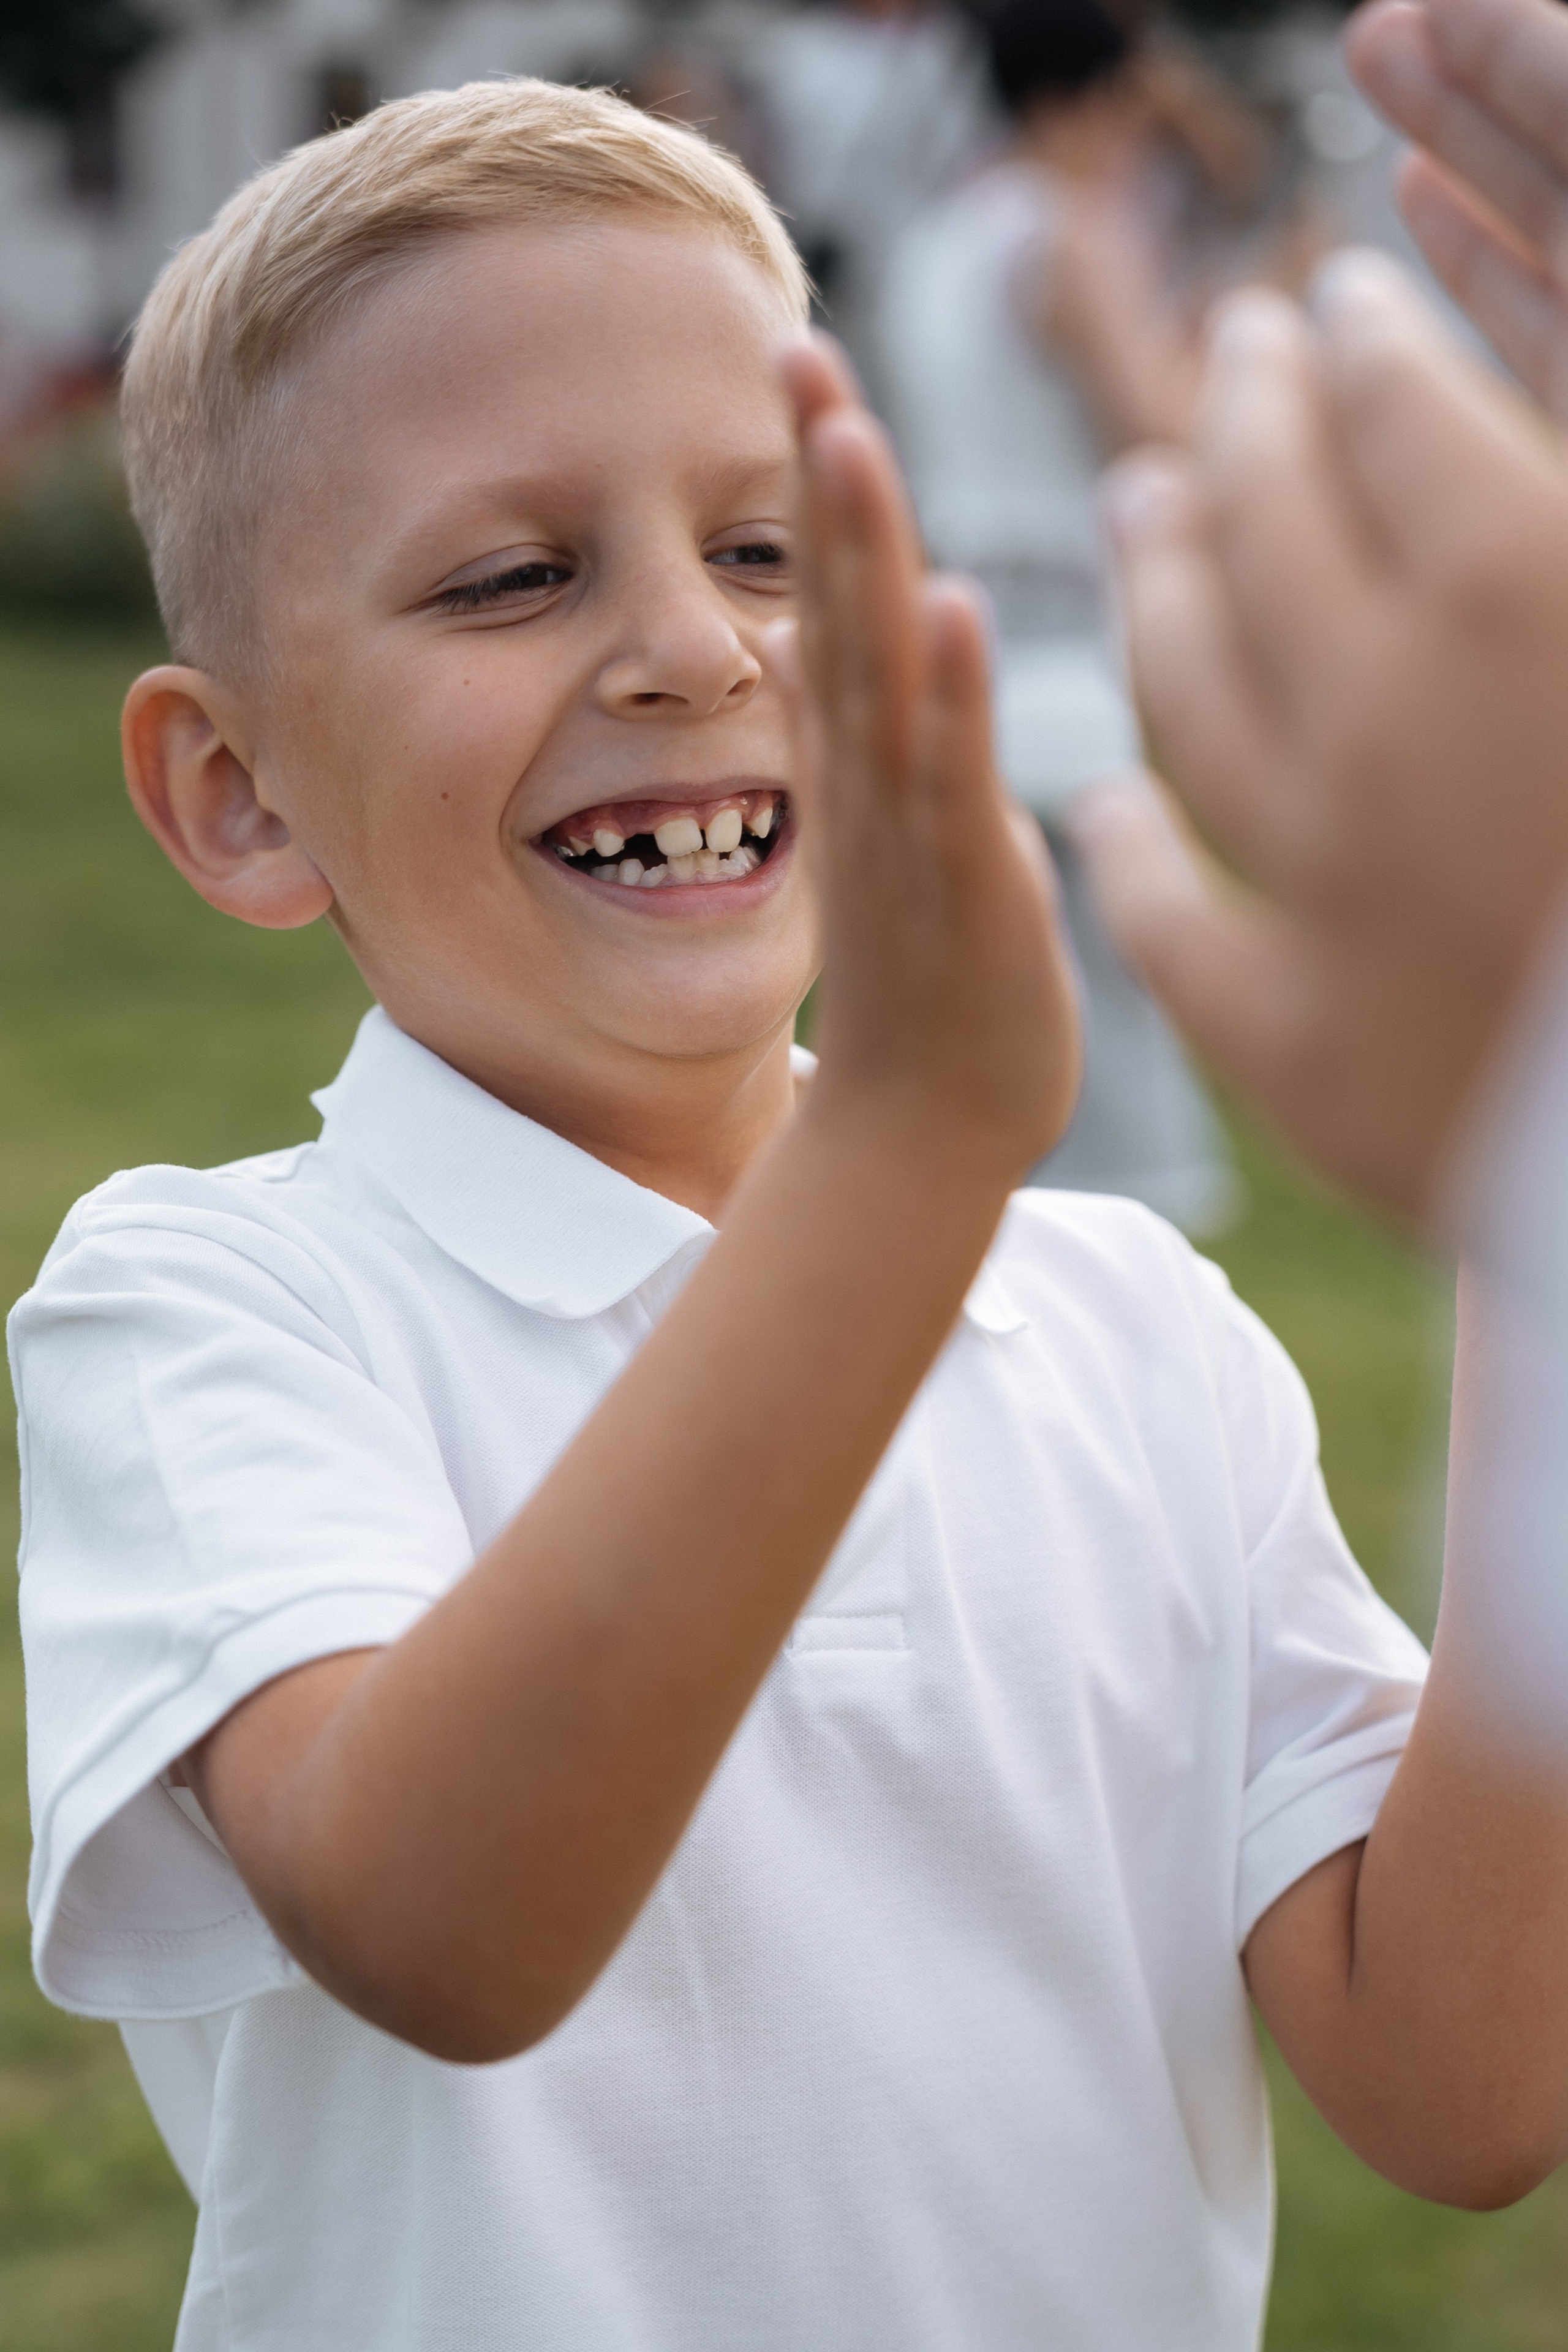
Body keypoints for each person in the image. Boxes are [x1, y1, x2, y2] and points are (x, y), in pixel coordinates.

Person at [9, 71, 1568, 2352]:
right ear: (239, 795)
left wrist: (1532, 1178)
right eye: (514, 575)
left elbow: (1459, 2079)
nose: (691, 648)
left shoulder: (1134, 1326)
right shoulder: (212, 1301)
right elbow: (444, 1922)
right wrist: (911, 1153)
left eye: (771, 547)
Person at [878, 0, 1255, 1228]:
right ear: (1080, 100)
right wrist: (1236, 340)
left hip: (949, 620)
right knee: (1106, 980)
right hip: (1065, 641)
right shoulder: (1067, 233)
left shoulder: (931, 234)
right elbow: (1159, 430)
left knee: (990, 964)